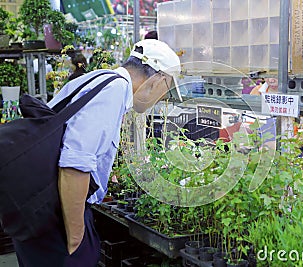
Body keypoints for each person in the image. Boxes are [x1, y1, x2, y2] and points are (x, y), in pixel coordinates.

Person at [11, 39, 181, 266]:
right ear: (159, 79)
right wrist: (75, 239)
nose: (163, 97)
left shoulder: (101, 78)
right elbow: (74, 165)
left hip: (38, 207)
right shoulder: (113, 90)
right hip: (55, 218)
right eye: (167, 89)